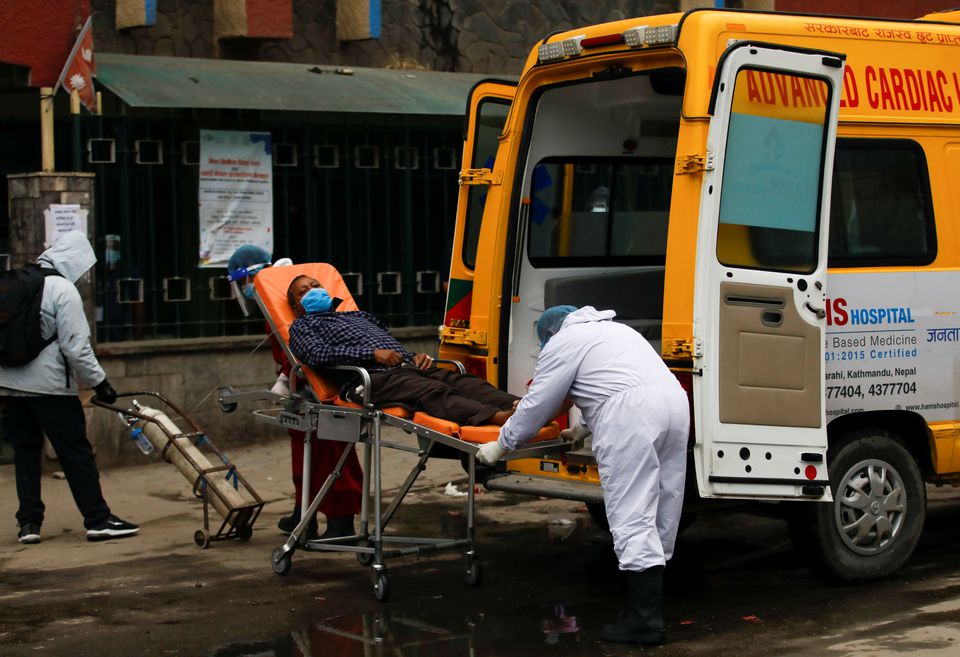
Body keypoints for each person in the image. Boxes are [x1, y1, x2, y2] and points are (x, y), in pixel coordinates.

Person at [477, 305, 689, 646]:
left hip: (631, 416)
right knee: (664, 504)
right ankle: (644, 608)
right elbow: (617, 384)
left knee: (631, 510)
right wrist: (582, 429)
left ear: (549, 333)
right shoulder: (617, 330)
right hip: (675, 407)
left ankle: (645, 622)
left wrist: (502, 444)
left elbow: (539, 403)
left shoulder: (564, 341)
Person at [1, 231, 138, 544]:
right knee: (75, 453)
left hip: (10, 387)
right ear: (75, 261)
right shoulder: (62, 289)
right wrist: (100, 383)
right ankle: (98, 519)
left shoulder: (19, 284)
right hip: (50, 389)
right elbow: (76, 348)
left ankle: (29, 524)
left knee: (25, 453)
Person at [227, 246, 362, 540]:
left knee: (332, 456)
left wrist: (286, 377)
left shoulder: (292, 307)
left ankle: (341, 523)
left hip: (324, 386)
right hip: (303, 386)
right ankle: (304, 515)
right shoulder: (275, 305)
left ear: (248, 277)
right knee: (305, 456)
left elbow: (304, 344)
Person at [287, 275, 519, 426]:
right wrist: (371, 354)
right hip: (368, 380)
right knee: (433, 391)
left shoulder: (358, 315)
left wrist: (413, 356)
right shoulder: (302, 326)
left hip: (406, 368)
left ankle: (521, 406)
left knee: (465, 382)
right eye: (304, 291)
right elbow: (316, 354)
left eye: (316, 285)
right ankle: (496, 417)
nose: (313, 290)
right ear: (297, 307)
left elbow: (390, 344)